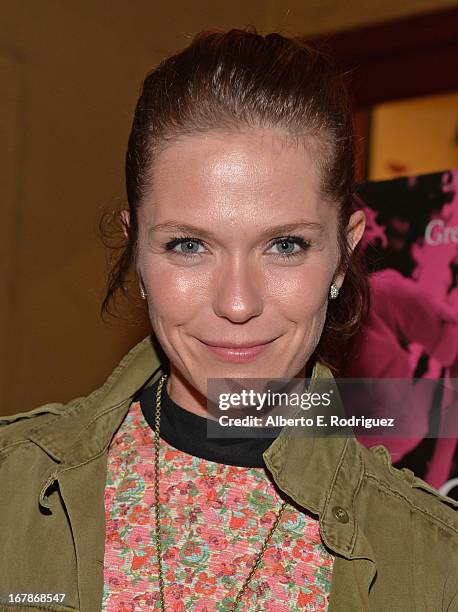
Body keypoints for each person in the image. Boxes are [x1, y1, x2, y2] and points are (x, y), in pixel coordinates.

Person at [0, 27, 456, 612]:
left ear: (344, 253)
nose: (237, 303)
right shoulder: (15, 493)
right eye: (189, 246)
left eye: (285, 245)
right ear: (135, 249)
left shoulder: (438, 567)